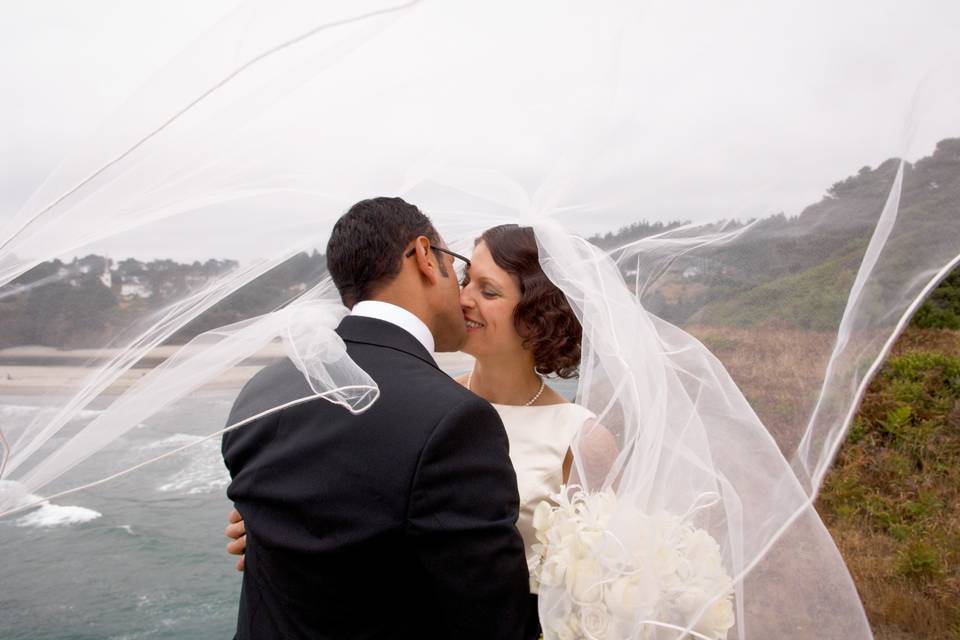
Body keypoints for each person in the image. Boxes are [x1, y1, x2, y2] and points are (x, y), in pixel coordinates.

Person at [226, 223, 619, 634]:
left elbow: (597, 585)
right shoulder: (423, 407)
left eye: (488, 291)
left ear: (538, 314)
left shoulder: (581, 439)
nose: (463, 298)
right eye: (466, 280)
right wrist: (270, 526)